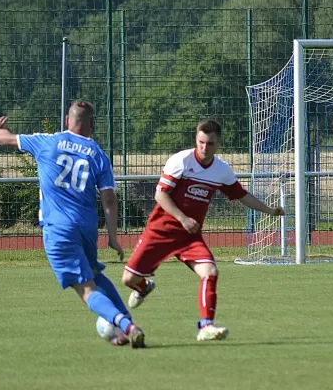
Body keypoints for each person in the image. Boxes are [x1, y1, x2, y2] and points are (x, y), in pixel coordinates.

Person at [0, 100, 145, 348]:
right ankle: (128, 322)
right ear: (92, 124)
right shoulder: (99, 155)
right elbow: (109, 198)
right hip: (86, 227)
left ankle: (127, 326)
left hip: (58, 229)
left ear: (66, 121)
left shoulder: (46, 141)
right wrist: (113, 236)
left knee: (85, 290)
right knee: (94, 274)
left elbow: (1, 138)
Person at [122, 119, 285, 341]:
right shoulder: (180, 161)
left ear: (218, 144)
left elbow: (241, 194)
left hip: (189, 237)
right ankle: (142, 288)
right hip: (160, 231)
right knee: (128, 279)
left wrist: (268, 210)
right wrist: (182, 218)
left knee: (210, 272)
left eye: (210, 143)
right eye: (201, 142)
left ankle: (206, 326)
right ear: (195, 140)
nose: (204, 148)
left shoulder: (221, 170)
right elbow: (160, 195)